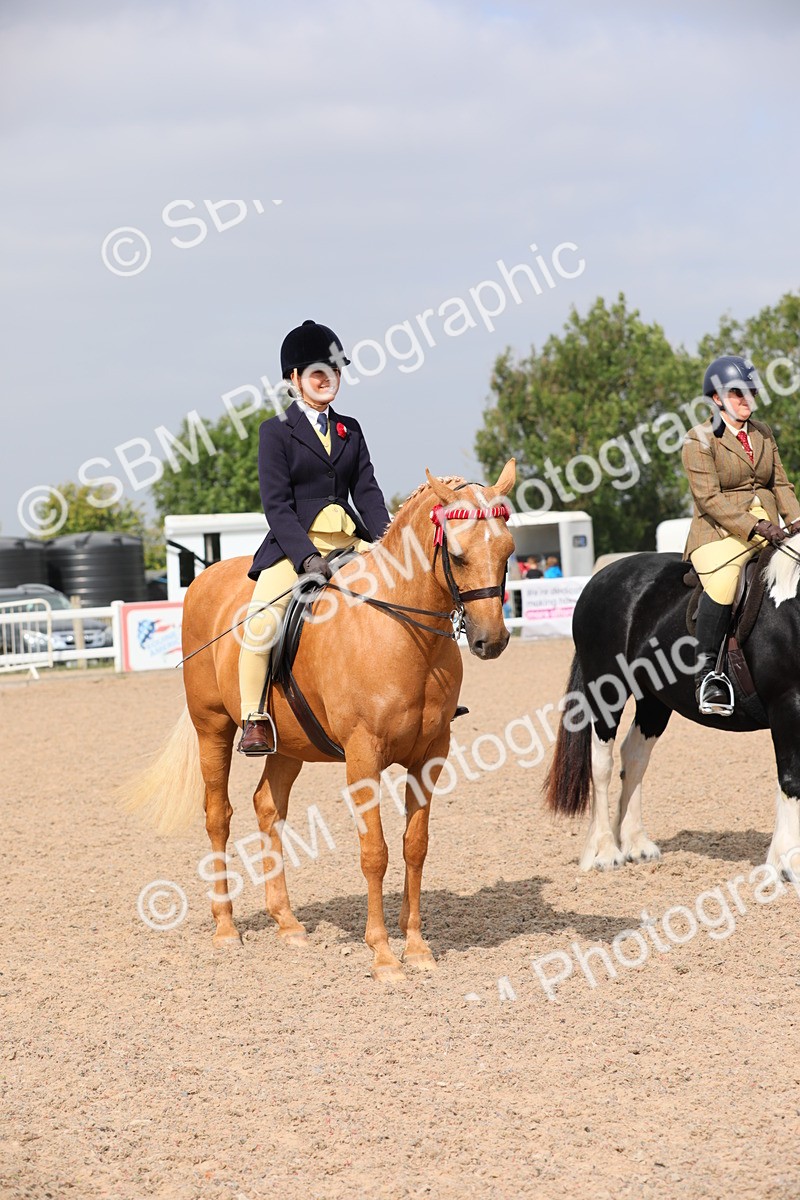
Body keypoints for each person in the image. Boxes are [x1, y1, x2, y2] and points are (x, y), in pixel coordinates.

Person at [237, 320, 391, 755]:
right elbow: (277, 506)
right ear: (294, 379)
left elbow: (367, 492)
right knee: (261, 622)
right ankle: (254, 717)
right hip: (297, 546)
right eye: (317, 373)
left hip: (349, 540)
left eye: (334, 372)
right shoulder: (276, 431)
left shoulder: (351, 429)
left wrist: (386, 542)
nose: (328, 380)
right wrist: (305, 558)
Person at [682, 354, 800, 715]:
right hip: (718, 534)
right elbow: (709, 498)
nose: (745, 399)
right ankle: (708, 678)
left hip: (769, 527)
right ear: (716, 399)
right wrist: (754, 525)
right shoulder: (698, 439)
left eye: (750, 391)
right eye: (737, 393)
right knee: (724, 582)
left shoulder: (763, 433)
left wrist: (795, 520)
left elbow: (780, 482)